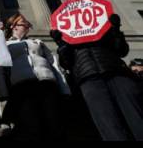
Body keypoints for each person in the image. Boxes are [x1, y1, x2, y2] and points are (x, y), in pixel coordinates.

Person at [50, 13, 143, 141]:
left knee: (136, 116)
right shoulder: (67, 37)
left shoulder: (104, 29)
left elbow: (122, 50)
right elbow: (66, 63)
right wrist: (61, 44)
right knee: (108, 123)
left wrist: (116, 29)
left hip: (116, 72)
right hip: (88, 78)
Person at [0, 13, 71, 141]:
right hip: (22, 87)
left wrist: (64, 89)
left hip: (47, 84)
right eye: (25, 23)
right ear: (14, 26)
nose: (28, 25)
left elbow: (54, 64)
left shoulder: (37, 42)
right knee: (30, 124)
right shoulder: (5, 44)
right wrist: (3, 95)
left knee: (54, 124)